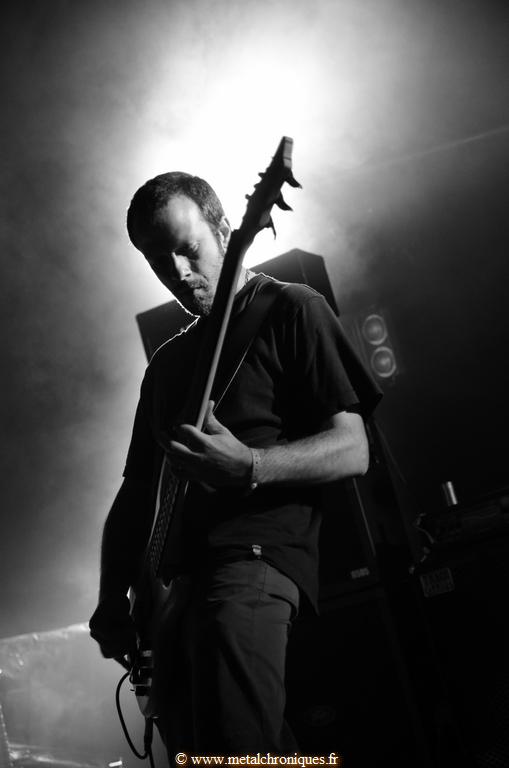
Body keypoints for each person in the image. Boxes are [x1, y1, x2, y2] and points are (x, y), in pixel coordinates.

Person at [89, 171, 381, 760]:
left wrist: (249, 465)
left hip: (251, 561)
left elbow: (353, 447)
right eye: (157, 261)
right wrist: (111, 595)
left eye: (187, 248)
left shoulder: (291, 309)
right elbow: (137, 492)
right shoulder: (166, 365)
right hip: (173, 593)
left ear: (226, 229)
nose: (177, 271)